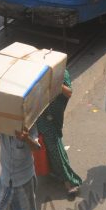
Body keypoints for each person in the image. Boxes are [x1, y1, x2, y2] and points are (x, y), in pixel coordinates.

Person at [36, 69, 82, 197]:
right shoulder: (36, 71)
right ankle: (64, 177)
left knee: (54, 145)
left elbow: (68, 93)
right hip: (41, 116)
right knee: (53, 146)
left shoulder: (62, 73)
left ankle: (65, 177)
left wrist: (54, 83)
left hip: (53, 116)